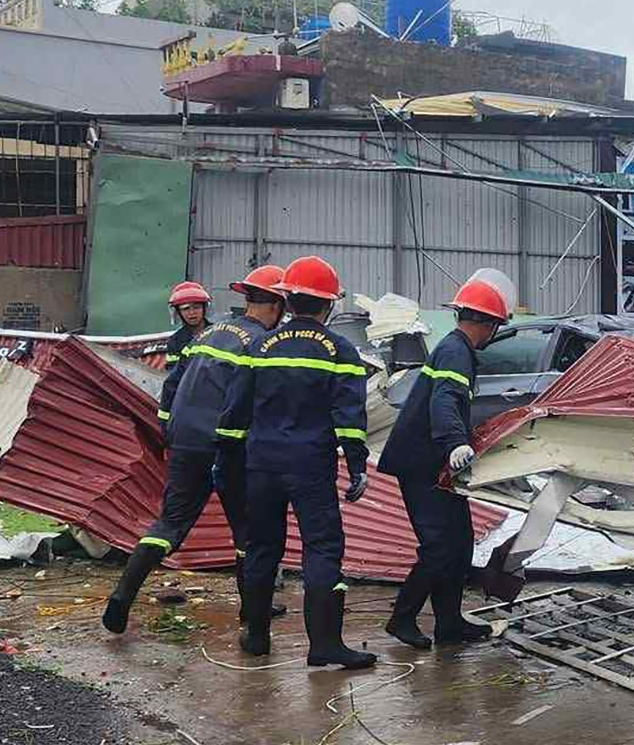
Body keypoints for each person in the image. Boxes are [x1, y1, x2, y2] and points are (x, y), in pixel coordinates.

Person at [103, 266, 285, 634]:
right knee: (246, 529)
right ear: (278, 305)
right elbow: (253, 401)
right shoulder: (260, 344)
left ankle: (121, 599)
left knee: (169, 524)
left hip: (186, 442)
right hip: (227, 444)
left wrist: (169, 428)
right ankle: (251, 612)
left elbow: (172, 386)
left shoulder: (209, 334)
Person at [221, 256, 374, 668]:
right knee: (321, 550)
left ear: (287, 301)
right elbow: (349, 418)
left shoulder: (258, 347)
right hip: (310, 466)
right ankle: (324, 644)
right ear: (328, 306)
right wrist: (358, 466)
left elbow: (235, 412)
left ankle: (255, 636)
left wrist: (230, 460)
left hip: (262, 465)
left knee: (260, 549)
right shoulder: (341, 350)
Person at [380, 268, 516, 650]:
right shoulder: (456, 352)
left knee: (459, 542)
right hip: (422, 465)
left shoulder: (455, 348)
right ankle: (402, 618)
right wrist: (455, 443)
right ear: (487, 324)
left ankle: (450, 623)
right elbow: (445, 401)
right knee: (440, 546)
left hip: (433, 464)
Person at [158, 282, 212, 432]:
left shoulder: (218, 333)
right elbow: (173, 378)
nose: (192, 313)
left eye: (196, 307)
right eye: (186, 309)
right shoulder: (175, 341)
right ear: (178, 313)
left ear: (204, 308)